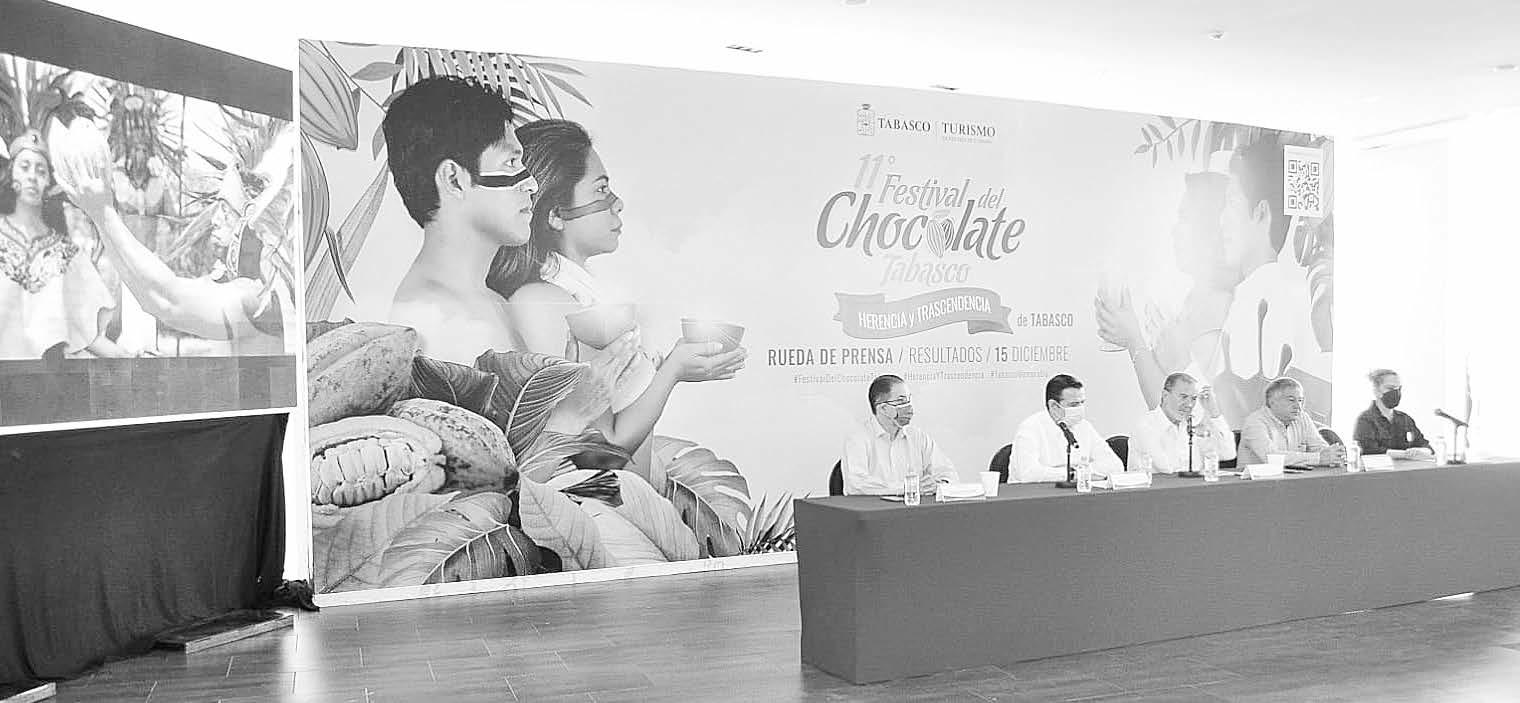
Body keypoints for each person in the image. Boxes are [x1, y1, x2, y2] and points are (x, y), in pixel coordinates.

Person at [489, 118, 745, 457]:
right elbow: (598, 449)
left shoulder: (581, 294)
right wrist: (672, 371)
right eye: (601, 190)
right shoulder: (541, 302)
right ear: (555, 215)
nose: (618, 202)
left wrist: (678, 363)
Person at [1097, 135, 1332, 428]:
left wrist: (1141, 345)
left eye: (1231, 203)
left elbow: (1195, 417)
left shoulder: (1252, 303)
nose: (1223, 220)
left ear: (1260, 212)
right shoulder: (1266, 295)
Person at [382, 75, 540, 364]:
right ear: (454, 179)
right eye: (511, 162)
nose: (531, 184)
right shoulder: (434, 314)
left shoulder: (490, 302)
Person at [0, 129, 128, 359]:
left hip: (48, 376)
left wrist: (131, 360)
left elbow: (86, 333)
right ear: (11, 176)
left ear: (49, 182)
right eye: (24, 167)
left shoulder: (66, 254)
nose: (32, 176)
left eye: (41, 171)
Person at [841, 374, 957, 495]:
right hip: (873, 507)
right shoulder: (857, 438)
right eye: (901, 401)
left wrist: (937, 485)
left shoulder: (918, 436)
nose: (909, 407)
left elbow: (949, 474)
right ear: (883, 408)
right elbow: (856, 485)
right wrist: (906, 488)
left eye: (909, 400)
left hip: (915, 506)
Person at [1011, 374, 1123, 483]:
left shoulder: (1084, 426)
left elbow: (1115, 465)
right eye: (1074, 404)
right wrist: (1072, 474)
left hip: (1074, 492)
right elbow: (1028, 474)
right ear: (1053, 406)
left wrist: (1077, 473)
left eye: (1082, 402)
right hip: (1032, 493)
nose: (1080, 408)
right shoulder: (1030, 428)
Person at [1131, 372, 1236, 474]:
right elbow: (1167, 468)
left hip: (1192, 485)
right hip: (1156, 485)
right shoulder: (1145, 425)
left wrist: (1214, 412)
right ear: (1165, 395)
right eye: (1183, 397)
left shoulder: (1191, 424)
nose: (1189, 404)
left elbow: (1228, 454)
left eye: (1193, 398)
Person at [1239, 377, 1345, 467]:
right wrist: (1318, 458)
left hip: (1293, 478)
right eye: (1291, 400)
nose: (1298, 406)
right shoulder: (1254, 422)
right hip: (1255, 481)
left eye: (1300, 400)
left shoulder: (1302, 417)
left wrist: (1333, 455)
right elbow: (1271, 457)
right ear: (1272, 402)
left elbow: (1318, 447)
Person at [1352, 369, 1434, 458]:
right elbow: (1368, 450)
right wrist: (1404, 454)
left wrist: (1422, 451)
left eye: (1399, 389)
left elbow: (1425, 445)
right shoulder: (1365, 420)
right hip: (1381, 467)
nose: (1396, 393)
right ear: (1376, 391)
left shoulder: (1405, 419)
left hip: (1407, 466)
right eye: (1390, 388)